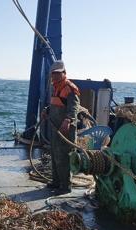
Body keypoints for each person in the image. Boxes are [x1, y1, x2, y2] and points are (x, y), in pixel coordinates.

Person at [42, 60, 80, 195]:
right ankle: (56, 181)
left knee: (64, 156)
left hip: (65, 130)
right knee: (55, 155)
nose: (55, 76)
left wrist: (68, 120)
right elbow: (56, 103)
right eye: (53, 73)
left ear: (64, 73)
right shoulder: (55, 87)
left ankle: (65, 185)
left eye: (58, 73)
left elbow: (73, 107)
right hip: (55, 128)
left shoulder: (70, 88)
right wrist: (47, 110)